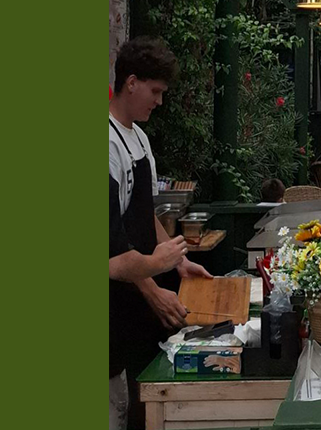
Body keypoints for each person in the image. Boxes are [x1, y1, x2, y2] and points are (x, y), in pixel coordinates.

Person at [109, 38, 211, 430]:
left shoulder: (139, 138)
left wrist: (178, 260)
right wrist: (153, 286)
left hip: (137, 295)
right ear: (131, 82)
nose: (159, 101)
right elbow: (113, 250)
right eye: (155, 91)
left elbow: (144, 213)